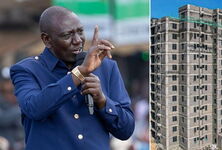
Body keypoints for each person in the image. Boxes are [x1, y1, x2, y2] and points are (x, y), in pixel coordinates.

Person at [9, 6, 135, 150]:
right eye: (67, 35)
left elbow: (126, 130)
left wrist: (102, 101)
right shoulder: (27, 69)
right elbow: (34, 109)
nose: (78, 40)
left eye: (80, 32)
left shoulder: (106, 67)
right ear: (47, 40)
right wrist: (78, 74)